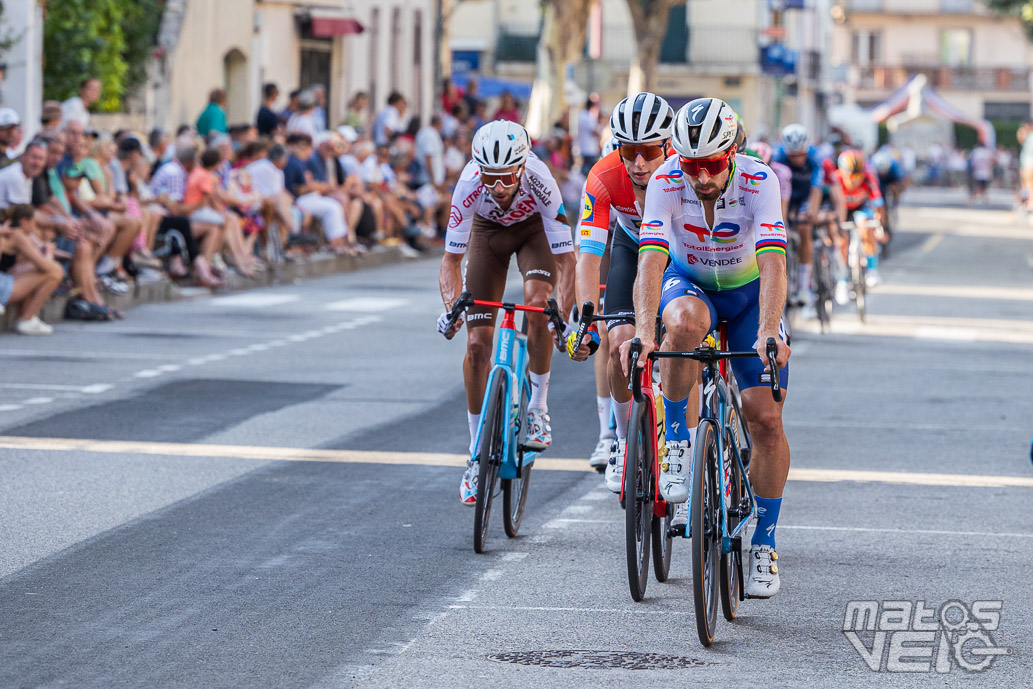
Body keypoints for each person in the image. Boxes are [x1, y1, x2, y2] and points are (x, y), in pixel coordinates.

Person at [622, 97, 791, 598]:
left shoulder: (761, 181)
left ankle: (764, 540)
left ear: (733, 154)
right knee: (683, 326)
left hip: (747, 298)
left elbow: (775, 262)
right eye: (691, 165)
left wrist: (768, 331)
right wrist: (644, 332)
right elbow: (650, 260)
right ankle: (676, 437)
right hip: (689, 284)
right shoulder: (666, 180)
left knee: (766, 420)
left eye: (712, 165)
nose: (701, 177)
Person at [437, 120, 575, 505]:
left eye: (506, 178)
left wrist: (561, 316)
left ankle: (538, 407)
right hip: (488, 237)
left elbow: (567, 260)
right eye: (490, 178)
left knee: (535, 304)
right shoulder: (468, 185)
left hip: (535, 235)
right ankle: (475, 453)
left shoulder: (540, 178)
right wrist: (453, 310)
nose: (497, 188)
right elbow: (450, 260)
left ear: (521, 166)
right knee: (478, 345)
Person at [565, 93, 675, 480]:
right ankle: (622, 441)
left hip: (683, 248)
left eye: (648, 150)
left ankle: (690, 442)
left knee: (684, 337)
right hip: (633, 244)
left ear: (668, 145)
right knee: (618, 342)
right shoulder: (603, 175)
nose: (639, 162)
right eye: (628, 150)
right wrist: (584, 320)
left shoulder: (685, 169)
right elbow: (590, 255)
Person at [772, 123, 825, 307]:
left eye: (800, 154)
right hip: (784, 195)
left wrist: (811, 211)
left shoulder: (815, 157)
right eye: (792, 155)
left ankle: (804, 287)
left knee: (804, 229)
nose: (797, 159)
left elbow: (816, 189)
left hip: (804, 197)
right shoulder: (778, 156)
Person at [0, 203, 63, 333]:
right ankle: (27, 319)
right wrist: (49, 252)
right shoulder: (17, 235)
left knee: (33, 270)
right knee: (55, 270)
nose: (35, 228)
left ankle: (26, 318)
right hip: (3, 286)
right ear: (24, 221)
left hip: (4, 281)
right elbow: (45, 265)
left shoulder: (14, 234)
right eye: (34, 223)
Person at [832, 149, 885, 288]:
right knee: (842, 240)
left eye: (857, 176)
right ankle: (843, 280)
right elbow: (837, 206)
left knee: (865, 226)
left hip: (860, 208)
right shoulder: (835, 179)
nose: (854, 180)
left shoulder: (868, 178)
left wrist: (880, 227)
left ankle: (872, 271)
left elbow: (878, 205)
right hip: (841, 209)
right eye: (850, 176)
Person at [577, 93, 602, 175]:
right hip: (590, 148)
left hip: (584, 147)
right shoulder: (589, 116)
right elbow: (595, 132)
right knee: (588, 172)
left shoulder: (581, 115)